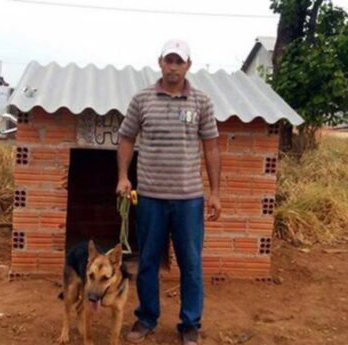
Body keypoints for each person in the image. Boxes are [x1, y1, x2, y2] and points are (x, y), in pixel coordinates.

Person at [116, 39, 222, 345]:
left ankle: (190, 323)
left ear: (189, 65)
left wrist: (215, 192)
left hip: (189, 199)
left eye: (179, 61)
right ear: (160, 61)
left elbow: (211, 147)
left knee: (191, 262)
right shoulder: (142, 100)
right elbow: (125, 138)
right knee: (148, 260)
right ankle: (146, 317)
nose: (173, 66)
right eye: (169, 60)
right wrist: (123, 177)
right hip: (150, 197)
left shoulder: (202, 101)